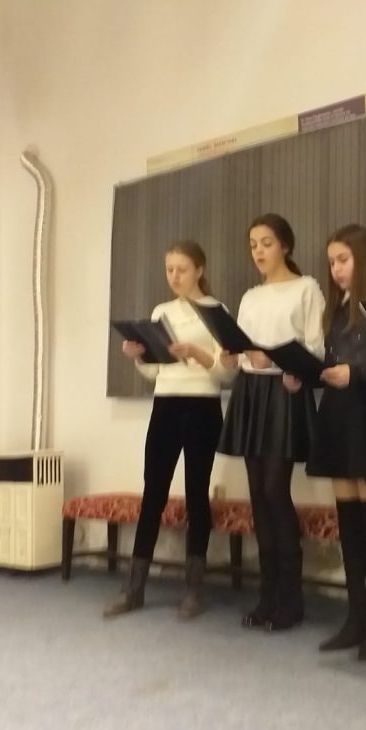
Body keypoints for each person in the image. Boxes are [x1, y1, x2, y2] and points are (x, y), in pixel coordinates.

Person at [295, 224, 366, 661]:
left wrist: (357, 373)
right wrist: (304, 375)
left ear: (362, 258)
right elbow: (331, 362)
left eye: (343, 260)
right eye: (331, 262)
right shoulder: (336, 309)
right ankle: (356, 617)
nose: (336, 269)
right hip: (338, 416)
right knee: (347, 521)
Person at [103, 240, 234, 620]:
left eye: (182, 269)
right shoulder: (161, 312)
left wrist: (196, 353)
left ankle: (194, 590)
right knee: (154, 493)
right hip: (166, 405)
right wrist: (139, 357)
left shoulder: (217, 312)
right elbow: (155, 371)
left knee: (196, 495)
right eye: (169, 269)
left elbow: (227, 374)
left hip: (202, 406)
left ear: (199, 270)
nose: (174, 276)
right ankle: (134, 589)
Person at [217, 213, 325, 632]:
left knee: (274, 491)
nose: (258, 251)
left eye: (266, 242)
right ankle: (267, 596)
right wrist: (233, 357)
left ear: (285, 245)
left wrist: (275, 360)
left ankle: (291, 598)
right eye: (253, 245)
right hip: (251, 393)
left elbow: (315, 349)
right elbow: (242, 348)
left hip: (283, 392)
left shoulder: (307, 288)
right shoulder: (249, 297)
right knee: (258, 497)